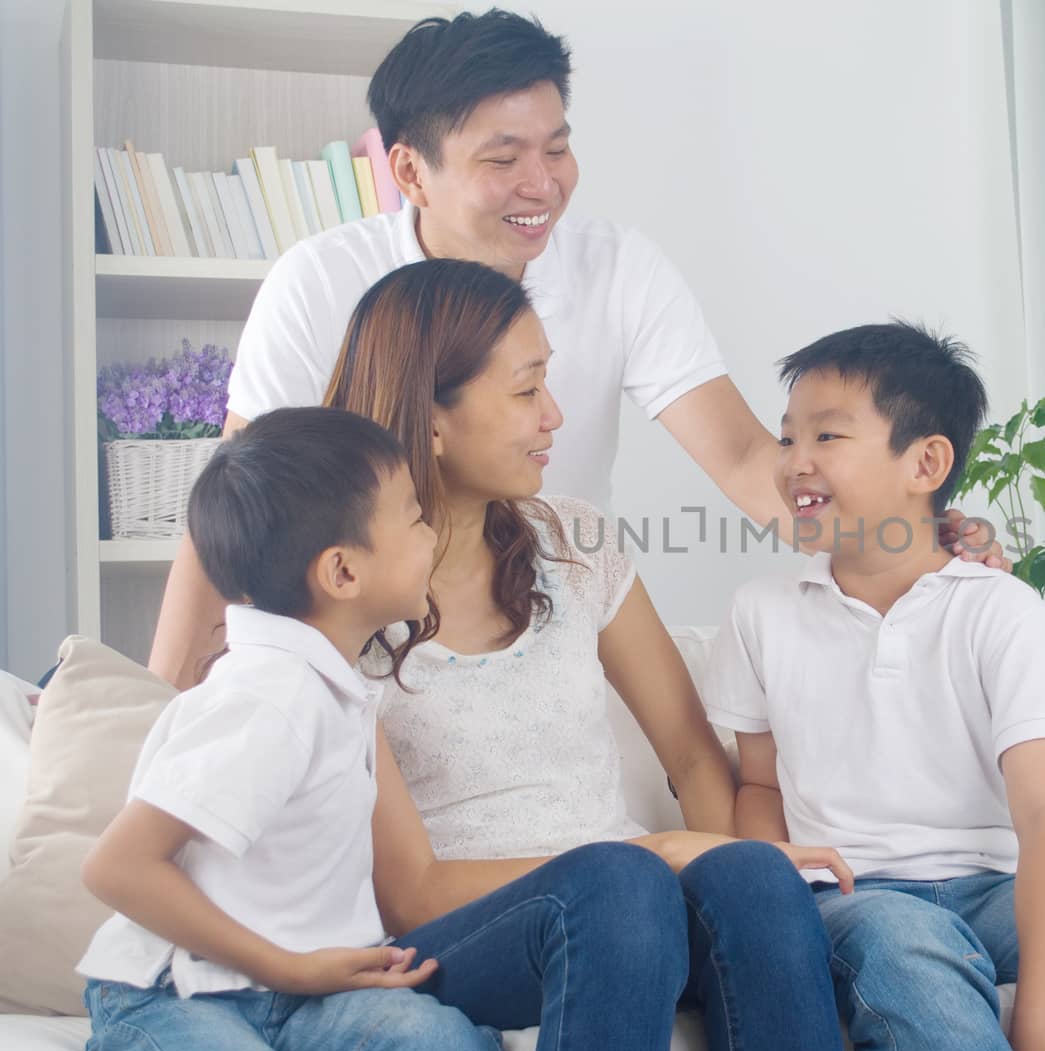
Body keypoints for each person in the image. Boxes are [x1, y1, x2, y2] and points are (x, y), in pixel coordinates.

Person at [147, 8, 999, 690]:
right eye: (503, 157)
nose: (543, 184)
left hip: (537, 622)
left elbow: (746, 458)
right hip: (359, 634)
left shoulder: (619, 269)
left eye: (557, 147)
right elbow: (236, 508)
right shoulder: (321, 281)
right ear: (409, 172)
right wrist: (159, 712)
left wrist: (907, 542)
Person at [319, 257, 851, 1051]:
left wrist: (710, 863)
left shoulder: (574, 541)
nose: (555, 415)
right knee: (617, 884)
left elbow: (692, 757)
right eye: (527, 389)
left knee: (754, 877)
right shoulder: (342, 593)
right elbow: (409, 894)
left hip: (627, 906)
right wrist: (653, 854)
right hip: (463, 933)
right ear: (433, 419)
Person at [704, 322, 1045, 1051]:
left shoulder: (1002, 610)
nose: (794, 463)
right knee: (909, 941)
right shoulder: (761, 613)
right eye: (786, 440)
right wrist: (773, 901)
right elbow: (758, 785)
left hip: (995, 892)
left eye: (826, 438)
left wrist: (1042, 1012)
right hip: (848, 898)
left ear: (926, 462)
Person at [75, 407, 501, 1051]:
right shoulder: (270, 696)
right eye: (415, 518)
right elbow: (117, 866)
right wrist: (287, 967)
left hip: (302, 997)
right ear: (342, 573)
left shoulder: (333, 687)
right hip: (177, 992)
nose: (432, 533)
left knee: (439, 1040)